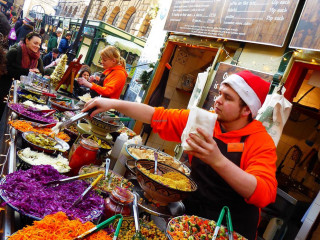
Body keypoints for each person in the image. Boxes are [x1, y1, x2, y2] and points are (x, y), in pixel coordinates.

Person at [82, 70, 277, 240]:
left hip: (230, 228)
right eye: (220, 94)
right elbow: (156, 116)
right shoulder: (206, 122)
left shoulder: (259, 142)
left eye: (227, 98)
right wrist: (111, 103)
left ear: (246, 110)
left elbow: (264, 194)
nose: (218, 100)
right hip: (190, 218)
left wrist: (217, 160)